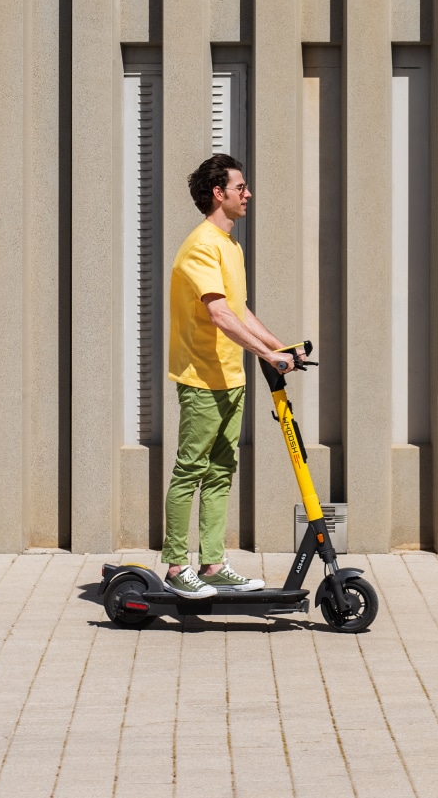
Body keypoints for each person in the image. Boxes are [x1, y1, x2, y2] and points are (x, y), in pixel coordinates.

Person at [162, 153, 301, 598]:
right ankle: (175, 566)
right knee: (190, 471)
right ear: (218, 193)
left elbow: (238, 310)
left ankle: (212, 565)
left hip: (231, 377)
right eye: (241, 187)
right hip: (201, 379)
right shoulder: (201, 245)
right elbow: (219, 315)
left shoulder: (230, 246)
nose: (248, 194)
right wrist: (267, 355)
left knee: (221, 471)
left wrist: (278, 348)